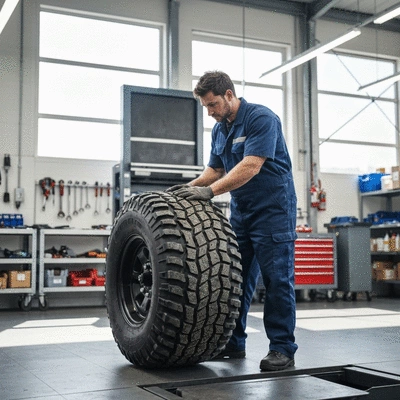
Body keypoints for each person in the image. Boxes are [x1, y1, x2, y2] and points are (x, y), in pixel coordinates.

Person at [167, 70, 297, 371]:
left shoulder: (261, 119)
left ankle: (282, 348)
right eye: (206, 107)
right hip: (241, 211)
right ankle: (233, 342)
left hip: (273, 210)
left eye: (212, 105)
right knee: (234, 279)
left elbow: (251, 166)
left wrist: (209, 193)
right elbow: (214, 170)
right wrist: (191, 188)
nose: (210, 112)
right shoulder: (220, 129)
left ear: (229, 95)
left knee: (277, 280)